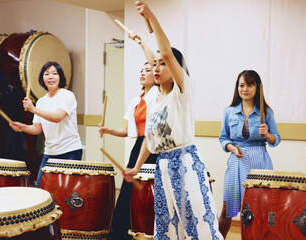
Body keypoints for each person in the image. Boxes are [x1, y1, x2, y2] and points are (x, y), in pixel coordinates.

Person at [124, 1, 223, 239]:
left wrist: (151, 16)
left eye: (162, 65)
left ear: (174, 66)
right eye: (153, 65)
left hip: (185, 162)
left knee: (198, 225)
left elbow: (166, 52)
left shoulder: (182, 91)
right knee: (168, 228)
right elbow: (150, 137)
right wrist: (136, 167)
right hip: (163, 166)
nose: (156, 68)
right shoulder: (155, 98)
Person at [99, 31, 159, 240]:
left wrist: (141, 42)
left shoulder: (158, 95)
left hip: (156, 148)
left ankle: (149, 231)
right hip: (139, 147)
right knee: (128, 191)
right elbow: (128, 131)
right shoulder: (136, 100)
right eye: (141, 70)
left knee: (150, 194)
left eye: (148, 69)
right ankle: (123, 234)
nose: (143, 73)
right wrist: (108, 130)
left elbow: (154, 60)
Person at [218, 70, 280, 237]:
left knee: (259, 209)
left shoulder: (266, 112)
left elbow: (276, 140)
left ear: (257, 87)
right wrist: (233, 148)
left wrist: (267, 134)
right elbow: (223, 138)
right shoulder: (229, 112)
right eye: (241, 85)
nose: (245, 89)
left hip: (259, 162)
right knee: (227, 207)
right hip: (236, 161)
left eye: (250, 84)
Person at [10, 61, 83, 188]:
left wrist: (33, 110)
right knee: (41, 189)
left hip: (70, 151)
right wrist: (23, 127)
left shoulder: (67, 95)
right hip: (50, 152)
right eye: (46, 74)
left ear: (60, 77)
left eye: (54, 73)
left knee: (65, 192)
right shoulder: (41, 101)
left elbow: (57, 117)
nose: (50, 77)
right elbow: (37, 129)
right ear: (42, 79)